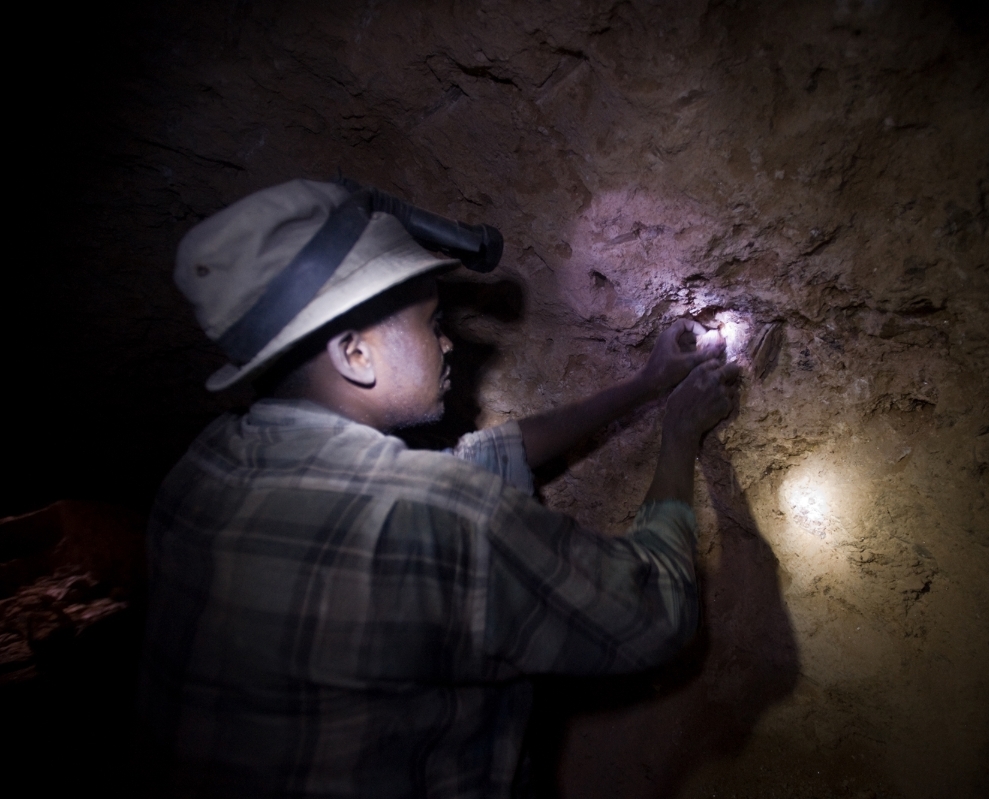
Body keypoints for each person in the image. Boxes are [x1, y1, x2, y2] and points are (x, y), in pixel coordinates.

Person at [138, 179, 740, 798]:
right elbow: (659, 610)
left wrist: (641, 386)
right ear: (355, 354)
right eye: (431, 322)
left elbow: (474, 462)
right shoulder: (440, 518)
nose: (449, 341)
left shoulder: (201, 468)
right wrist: (678, 437)